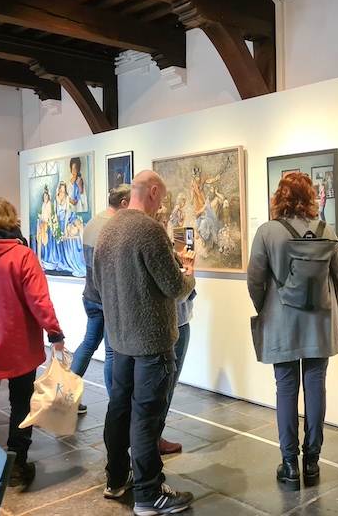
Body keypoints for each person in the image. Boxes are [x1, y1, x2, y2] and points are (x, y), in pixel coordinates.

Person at [94, 170, 196, 515]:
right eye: (162, 199)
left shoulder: (109, 228)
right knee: (146, 417)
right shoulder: (149, 230)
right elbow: (174, 287)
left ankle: (116, 479)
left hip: (120, 337)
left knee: (119, 408)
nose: (161, 206)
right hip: (151, 340)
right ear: (153, 192)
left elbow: (96, 285)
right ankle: (149, 494)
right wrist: (189, 274)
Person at [247, 172, 338, 490]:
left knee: (286, 389)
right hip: (320, 323)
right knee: (316, 387)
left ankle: (290, 466)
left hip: (282, 323)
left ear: (280, 196)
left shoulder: (267, 232)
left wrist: (266, 308)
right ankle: (312, 462)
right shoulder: (326, 230)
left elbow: (254, 280)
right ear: (311, 196)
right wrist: (335, 317)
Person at [0, 198, 65, 488]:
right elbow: (39, 301)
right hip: (19, 344)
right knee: (21, 401)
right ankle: (17, 463)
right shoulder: (22, 256)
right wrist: (54, 332)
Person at [71, 184, 131, 413]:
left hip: (90, 294)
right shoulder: (113, 227)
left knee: (88, 344)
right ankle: (117, 406)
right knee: (111, 352)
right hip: (107, 298)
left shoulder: (93, 222)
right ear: (124, 203)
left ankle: (66, 398)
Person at [155, 207, 197, 456]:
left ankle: (150, 437)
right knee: (166, 386)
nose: (166, 226)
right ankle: (154, 438)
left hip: (165, 323)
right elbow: (179, 294)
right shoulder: (163, 253)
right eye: (162, 222)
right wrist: (189, 270)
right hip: (176, 323)